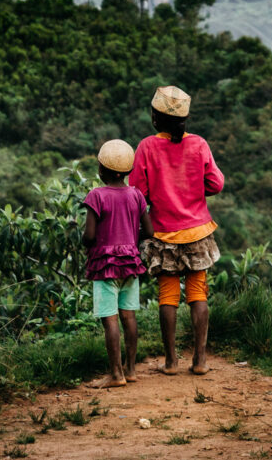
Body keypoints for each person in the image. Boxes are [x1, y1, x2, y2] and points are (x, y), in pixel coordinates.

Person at [129, 86, 224, 375]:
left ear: (155, 119)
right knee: (198, 294)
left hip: (163, 233)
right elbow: (216, 184)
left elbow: (138, 192)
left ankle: (171, 362)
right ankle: (200, 361)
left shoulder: (146, 147)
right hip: (197, 231)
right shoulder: (199, 144)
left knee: (168, 296)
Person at [82, 138, 152, 389]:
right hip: (130, 264)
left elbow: (89, 236)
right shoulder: (136, 195)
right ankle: (131, 370)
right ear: (129, 170)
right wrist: (129, 240)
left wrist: (87, 242)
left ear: (101, 170)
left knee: (110, 319)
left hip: (105, 266)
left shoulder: (96, 196)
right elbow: (150, 231)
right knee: (128, 316)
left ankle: (115, 374)